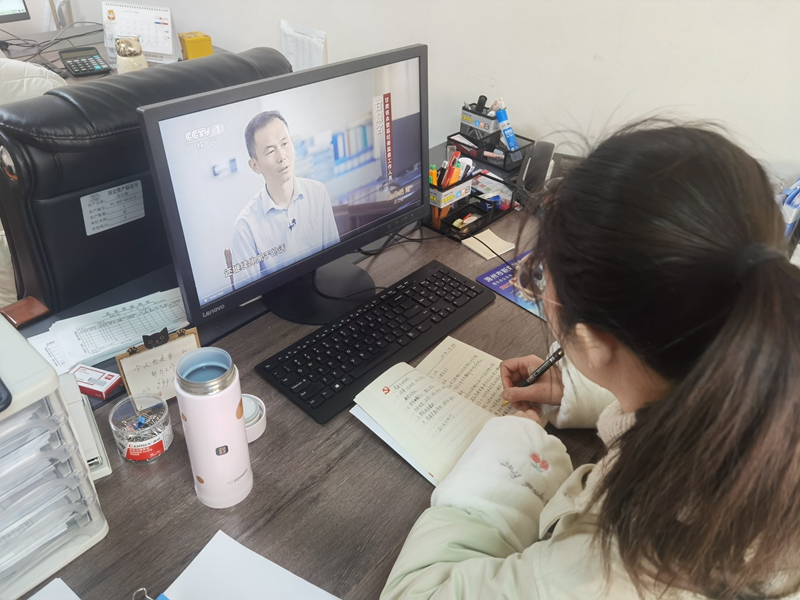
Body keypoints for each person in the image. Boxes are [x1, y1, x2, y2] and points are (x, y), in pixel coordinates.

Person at [381, 124, 800, 599]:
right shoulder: (774, 347)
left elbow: (415, 593)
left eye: (541, 277)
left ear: (593, 341)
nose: (538, 285)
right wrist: (583, 389)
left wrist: (509, 456)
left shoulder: (618, 564)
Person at [231, 111, 340, 286]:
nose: (282, 156)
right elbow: (248, 293)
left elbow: (335, 260)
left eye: (284, 143)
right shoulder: (245, 226)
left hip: (323, 289)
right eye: (270, 151)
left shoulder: (317, 192)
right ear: (255, 165)